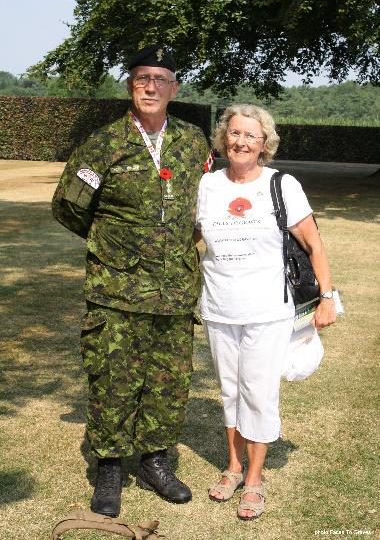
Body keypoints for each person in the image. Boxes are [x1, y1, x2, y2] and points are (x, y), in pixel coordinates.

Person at [52, 45, 210, 517]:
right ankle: (110, 468)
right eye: (142, 78)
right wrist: (114, 248)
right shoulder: (103, 144)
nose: (150, 86)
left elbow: (199, 205)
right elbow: (68, 205)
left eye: (160, 79)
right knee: (112, 381)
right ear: (130, 85)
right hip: (116, 292)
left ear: (174, 88)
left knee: (168, 382)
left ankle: (155, 462)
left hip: (175, 291)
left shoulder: (193, 141)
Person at [194, 104, 336, 520]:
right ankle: (233, 467)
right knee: (230, 392)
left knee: (258, 392)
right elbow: (189, 238)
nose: (241, 142)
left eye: (251, 136)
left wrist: (327, 296)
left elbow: (314, 243)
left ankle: (254, 480)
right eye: (235, 133)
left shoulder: (281, 185)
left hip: (268, 310)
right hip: (219, 308)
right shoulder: (206, 186)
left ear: (264, 144)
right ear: (223, 139)